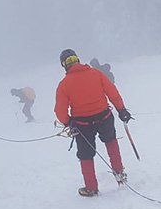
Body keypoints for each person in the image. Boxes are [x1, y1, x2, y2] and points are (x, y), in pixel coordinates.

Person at [54, 49, 132, 197]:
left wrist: (68, 122)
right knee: (111, 143)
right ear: (77, 59)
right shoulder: (96, 74)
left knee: (86, 155)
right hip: (104, 117)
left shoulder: (64, 84)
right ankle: (120, 174)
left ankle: (91, 188)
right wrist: (121, 109)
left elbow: (60, 110)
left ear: (64, 65)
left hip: (82, 125)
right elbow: (112, 92)